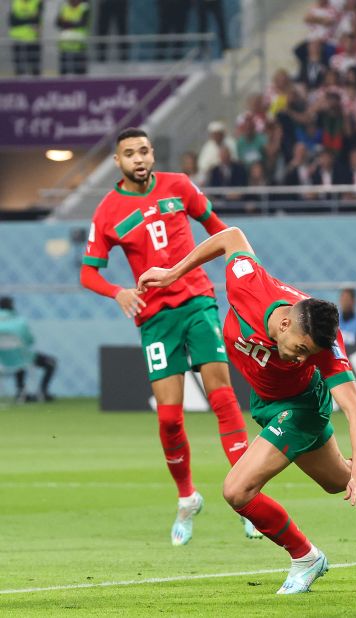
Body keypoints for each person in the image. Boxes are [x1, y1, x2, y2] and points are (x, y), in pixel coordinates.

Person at [136, 226, 356, 594]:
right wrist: (172, 272)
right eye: (300, 348)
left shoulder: (324, 344)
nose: (304, 357)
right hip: (266, 399)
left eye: (309, 353)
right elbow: (230, 236)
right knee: (337, 480)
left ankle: (305, 557)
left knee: (237, 491)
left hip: (300, 407)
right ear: (284, 323)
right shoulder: (248, 285)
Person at [79, 127, 259, 546]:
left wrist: (241, 271)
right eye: (129, 154)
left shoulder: (180, 186)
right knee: (169, 418)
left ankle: (247, 496)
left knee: (223, 397)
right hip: (156, 318)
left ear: (152, 153)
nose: (139, 159)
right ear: (117, 163)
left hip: (197, 300)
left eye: (144, 151)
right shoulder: (107, 211)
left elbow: (219, 231)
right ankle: (187, 497)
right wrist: (118, 292)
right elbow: (88, 272)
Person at [0, 297, 56, 402]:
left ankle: (20, 392)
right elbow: (30, 340)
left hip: (3, 361)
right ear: (12, 306)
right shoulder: (19, 321)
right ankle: (43, 392)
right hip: (22, 358)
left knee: (19, 360)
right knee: (51, 362)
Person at [9, 0, 42, 76]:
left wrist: (20, 18)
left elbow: (36, 19)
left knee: (34, 66)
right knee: (19, 66)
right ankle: (19, 84)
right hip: (17, 37)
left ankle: (37, 84)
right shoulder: (15, 2)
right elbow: (12, 21)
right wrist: (29, 18)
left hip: (33, 38)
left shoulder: (37, 2)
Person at [56, 0, 89, 75]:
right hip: (65, 45)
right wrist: (74, 23)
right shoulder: (63, 6)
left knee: (80, 72)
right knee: (63, 72)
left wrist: (66, 22)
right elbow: (58, 23)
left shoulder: (84, 8)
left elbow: (82, 23)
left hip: (79, 45)